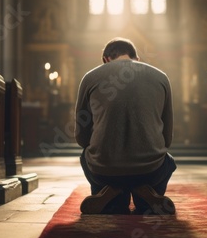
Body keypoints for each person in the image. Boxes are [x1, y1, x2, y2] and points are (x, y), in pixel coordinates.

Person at [74, 37, 177, 215]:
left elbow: (81, 137)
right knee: (168, 160)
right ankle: (146, 196)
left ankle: (111, 195)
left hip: (104, 170)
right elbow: (167, 138)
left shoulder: (90, 77)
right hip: (150, 170)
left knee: (85, 156)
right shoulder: (161, 77)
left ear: (105, 60)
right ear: (136, 59)